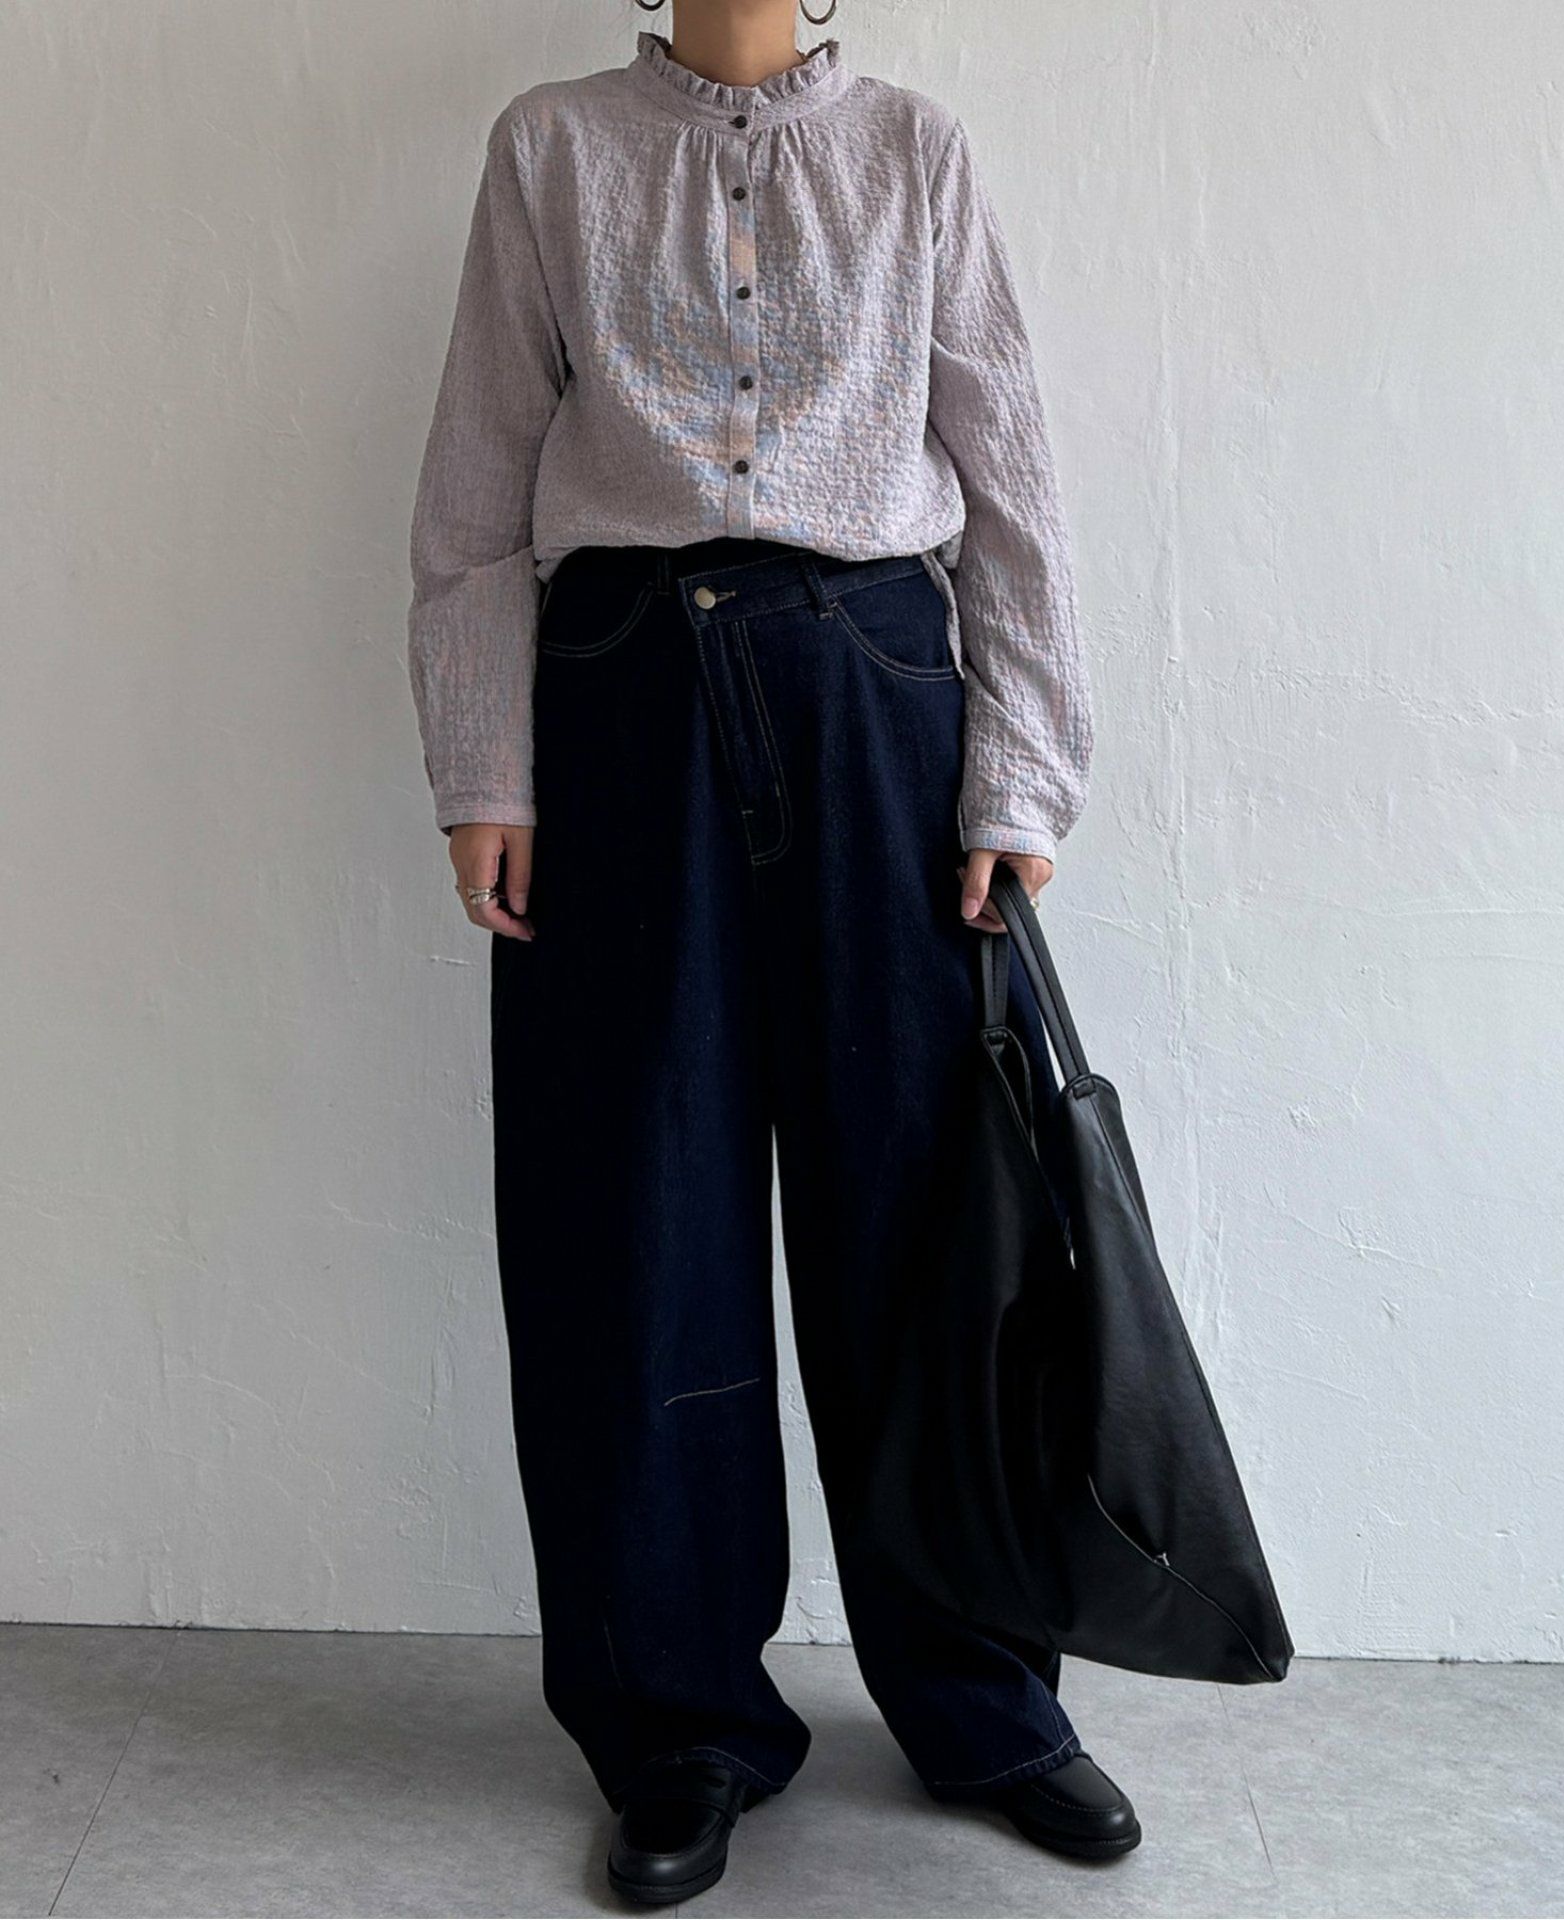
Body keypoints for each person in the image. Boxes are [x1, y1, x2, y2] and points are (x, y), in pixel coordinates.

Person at [406, 0, 1135, 1903]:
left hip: (876, 696)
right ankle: (678, 1723)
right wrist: (485, 765)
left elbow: (1013, 481)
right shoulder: (551, 148)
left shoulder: (915, 151)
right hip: (620, 702)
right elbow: (476, 498)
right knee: (633, 1228)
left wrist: (1023, 775)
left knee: (929, 1223)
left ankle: (984, 1698)